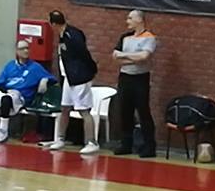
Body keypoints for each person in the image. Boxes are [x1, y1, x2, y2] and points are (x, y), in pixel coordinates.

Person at [0, 40, 56, 143]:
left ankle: (3, 131)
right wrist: (1, 90)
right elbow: (0, 83)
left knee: (6, 100)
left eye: (27, 48)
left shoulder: (35, 67)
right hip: (6, 92)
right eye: (22, 48)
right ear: (17, 51)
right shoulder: (10, 66)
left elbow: (52, 79)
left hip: (21, 96)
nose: (25, 51)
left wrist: (45, 80)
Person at [41, 10, 100, 155]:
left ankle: (91, 142)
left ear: (54, 24)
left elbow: (84, 54)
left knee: (84, 110)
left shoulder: (72, 35)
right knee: (65, 108)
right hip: (68, 78)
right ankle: (60, 139)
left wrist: (91, 70)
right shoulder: (61, 35)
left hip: (80, 78)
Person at [111, 9, 158, 158]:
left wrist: (124, 56)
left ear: (140, 20)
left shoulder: (149, 37)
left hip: (140, 78)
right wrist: (132, 58)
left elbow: (144, 57)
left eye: (130, 18)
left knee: (143, 111)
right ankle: (126, 144)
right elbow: (115, 57)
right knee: (125, 111)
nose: (127, 21)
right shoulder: (125, 37)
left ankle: (149, 146)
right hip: (125, 77)